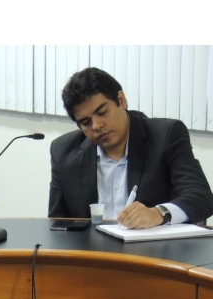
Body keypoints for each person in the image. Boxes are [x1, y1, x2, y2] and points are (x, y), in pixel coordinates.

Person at [49, 67, 213, 229]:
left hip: (150, 251)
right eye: (86, 122)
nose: (97, 125)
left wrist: (158, 214)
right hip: (92, 252)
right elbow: (57, 224)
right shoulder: (63, 151)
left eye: (103, 112)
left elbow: (201, 197)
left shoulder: (165, 136)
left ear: (121, 100)